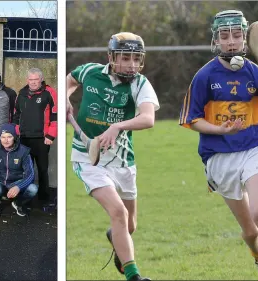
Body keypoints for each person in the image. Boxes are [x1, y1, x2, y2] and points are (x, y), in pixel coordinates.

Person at [178, 10, 258, 281]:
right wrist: (219, 129)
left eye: (237, 35)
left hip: (253, 148)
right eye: (225, 35)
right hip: (218, 157)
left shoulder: (255, 73)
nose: (231, 41)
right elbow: (191, 119)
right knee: (251, 230)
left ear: (244, 38)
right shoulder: (205, 76)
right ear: (216, 40)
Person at [66, 32, 159, 281]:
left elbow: (148, 118)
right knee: (118, 212)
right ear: (111, 57)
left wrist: (118, 126)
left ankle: (116, 239)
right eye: (124, 57)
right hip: (88, 159)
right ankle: (133, 275)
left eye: (135, 58)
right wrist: (64, 97)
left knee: (130, 226)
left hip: (123, 160)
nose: (130, 64)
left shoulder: (140, 84)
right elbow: (70, 79)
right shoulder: (90, 71)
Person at [13, 67, 58, 204]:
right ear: (27, 80)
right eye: (30, 79)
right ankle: (27, 198)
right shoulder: (21, 93)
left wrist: (50, 136)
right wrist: (17, 132)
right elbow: (16, 114)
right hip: (24, 138)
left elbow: (55, 115)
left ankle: (45, 199)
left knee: (43, 169)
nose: (33, 82)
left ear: (41, 79)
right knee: (26, 170)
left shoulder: (49, 93)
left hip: (42, 139)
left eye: (36, 79)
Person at [0, 123, 37, 217]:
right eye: (3, 137)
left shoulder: (24, 151)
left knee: (33, 189)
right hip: (0, 180)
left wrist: (18, 186)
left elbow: (30, 174)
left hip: (16, 182)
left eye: (9, 137)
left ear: (14, 137)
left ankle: (18, 203)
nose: (6, 140)